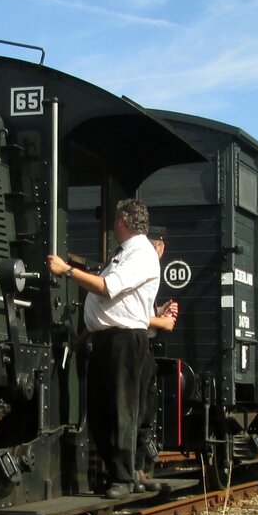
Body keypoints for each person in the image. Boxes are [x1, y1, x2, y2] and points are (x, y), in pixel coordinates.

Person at [47, 198, 160, 499]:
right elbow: (109, 307)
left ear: (123, 221)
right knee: (99, 411)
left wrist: (67, 271)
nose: (112, 224)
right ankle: (116, 473)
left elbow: (107, 288)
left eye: (115, 218)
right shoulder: (124, 253)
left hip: (124, 340)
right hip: (106, 338)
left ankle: (123, 478)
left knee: (122, 409)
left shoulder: (141, 254)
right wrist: (82, 337)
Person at [136, 226, 179, 491]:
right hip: (139, 345)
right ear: (160, 245)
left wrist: (158, 310)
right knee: (141, 409)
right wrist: (161, 321)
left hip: (141, 345)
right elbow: (131, 313)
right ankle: (136, 469)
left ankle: (139, 469)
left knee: (145, 410)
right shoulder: (148, 265)